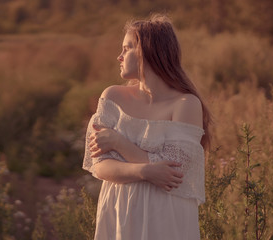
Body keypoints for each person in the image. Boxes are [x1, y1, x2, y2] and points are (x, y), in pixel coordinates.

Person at [83, 14, 211, 240]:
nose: (119, 56)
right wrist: (147, 170)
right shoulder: (112, 97)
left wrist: (117, 142)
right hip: (119, 210)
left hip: (166, 215)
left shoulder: (186, 104)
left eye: (127, 48)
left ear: (147, 51)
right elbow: (100, 167)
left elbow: (172, 174)